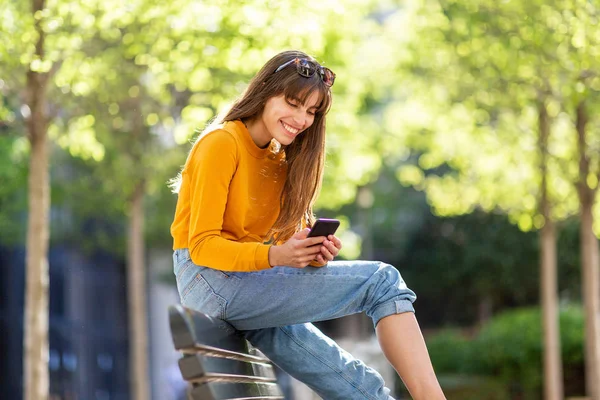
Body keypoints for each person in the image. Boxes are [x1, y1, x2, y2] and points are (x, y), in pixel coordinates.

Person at [169, 50, 445, 400]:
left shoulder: (281, 158)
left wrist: (313, 253)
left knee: (360, 388)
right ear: (265, 90)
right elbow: (203, 245)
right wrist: (278, 257)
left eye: (312, 111)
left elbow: (285, 247)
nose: (301, 119)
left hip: (245, 289)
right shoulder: (222, 143)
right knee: (382, 281)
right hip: (208, 278)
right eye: (294, 103)